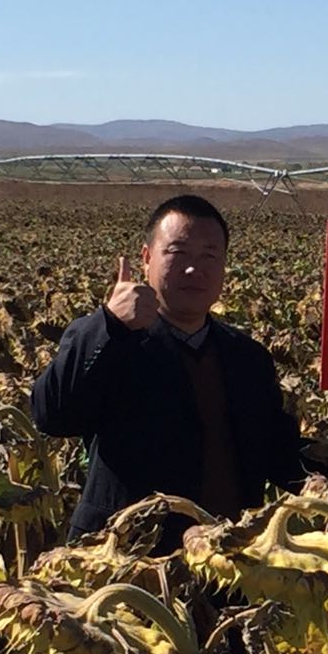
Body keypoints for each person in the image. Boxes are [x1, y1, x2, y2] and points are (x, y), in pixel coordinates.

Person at [31, 193, 308, 551]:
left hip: (227, 559)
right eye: (178, 253)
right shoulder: (110, 338)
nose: (194, 269)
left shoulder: (247, 357)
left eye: (209, 256)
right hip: (126, 558)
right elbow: (52, 415)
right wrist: (110, 324)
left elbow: (277, 453)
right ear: (147, 258)